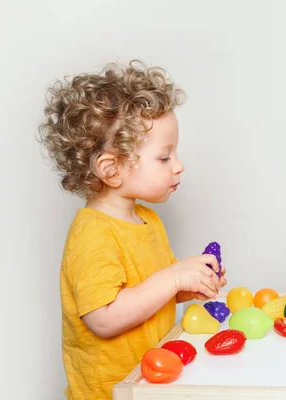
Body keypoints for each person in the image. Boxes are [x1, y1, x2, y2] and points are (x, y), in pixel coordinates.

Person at [37, 59, 226, 399]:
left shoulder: (147, 219)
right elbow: (104, 319)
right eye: (164, 157)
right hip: (109, 392)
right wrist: (172, 278)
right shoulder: (92, 234)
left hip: (150, 383)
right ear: (111, 169)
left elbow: (148, 293)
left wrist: (189, 284)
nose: (179, 165)